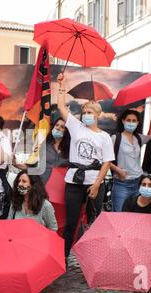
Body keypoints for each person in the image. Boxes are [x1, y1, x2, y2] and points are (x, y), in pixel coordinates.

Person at [56, 73, 114, 260]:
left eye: (90, 113)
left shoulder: (104, 136)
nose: (86, 115)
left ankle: (93, 258)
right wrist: (61, 86)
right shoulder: (76, 127)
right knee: (71, 222)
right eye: (85, 113)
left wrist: (97, 185)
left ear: (97, 115)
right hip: (74, 181)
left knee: (94, 222)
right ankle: (63, 256)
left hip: (94, 183)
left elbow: (107, 162)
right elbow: (60, 107)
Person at [110, 109, 151, 211]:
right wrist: (117, 170)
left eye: (134, 121)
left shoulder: (139, 138)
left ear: (138, 123)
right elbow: (106, 160)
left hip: (138, 183)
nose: (131, 123)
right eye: (128, 120)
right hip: (122, 184)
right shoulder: (115, 138)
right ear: (123, 121)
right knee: (120, 216)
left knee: (136, 216)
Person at [13, 116, 69, 184]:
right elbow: (35, 169)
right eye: (56, 125)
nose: (58, 128)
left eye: (62, 127)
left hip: (61, 186)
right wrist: (16, 164)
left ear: (66, 131)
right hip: (43, 185)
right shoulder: (43, 145)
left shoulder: (70, 149)